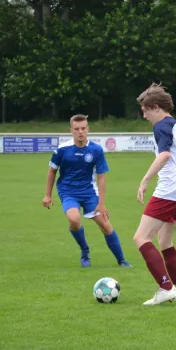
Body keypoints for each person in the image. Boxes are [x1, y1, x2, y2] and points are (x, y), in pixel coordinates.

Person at [133, 83, 176, 306]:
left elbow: (164, 157)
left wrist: (144, 180)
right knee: (165, 242)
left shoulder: (161, 126)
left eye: (145, 110)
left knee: (141, 238)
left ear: (156, 107)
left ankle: (165, 287)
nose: (144, 115)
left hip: (169, 190)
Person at [42, 114, 132, 268]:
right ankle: (85, 250)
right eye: (77, 129)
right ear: (71, 130)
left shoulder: (96, 150)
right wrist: (47, 195)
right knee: (74, 219)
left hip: (89, 192)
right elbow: (52, 171)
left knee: (105, 224)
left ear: (88, 129)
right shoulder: (62, 149)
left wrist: (102, 204)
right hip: (68, 191)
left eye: (83, 128)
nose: (80, 132)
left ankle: (122, 260)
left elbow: (101, 178)